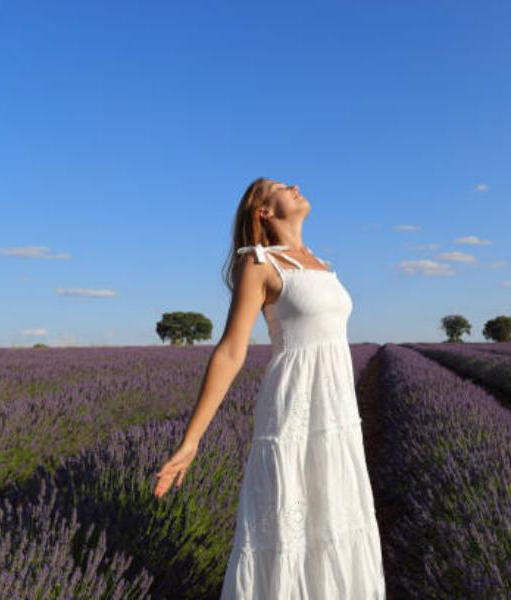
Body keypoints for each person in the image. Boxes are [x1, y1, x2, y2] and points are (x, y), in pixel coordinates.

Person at [153, 177, 386, 599]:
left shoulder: (321, 263)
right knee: (289, 524)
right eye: (281, 186)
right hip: (294, 406)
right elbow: (230, 351)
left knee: (336, 516)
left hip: (336, 412)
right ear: (263, 211)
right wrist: (191, 442)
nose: (295, 186)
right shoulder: (260, 263)